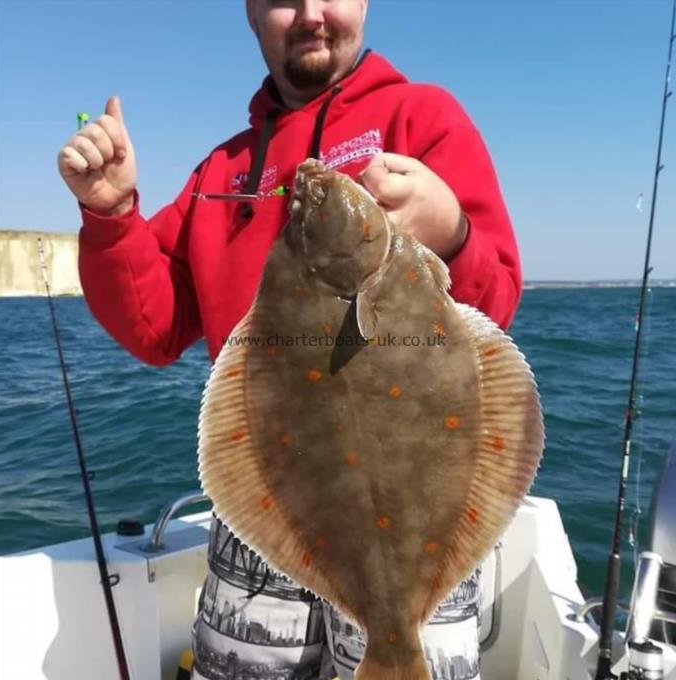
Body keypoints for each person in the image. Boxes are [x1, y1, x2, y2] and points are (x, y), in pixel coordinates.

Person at [57, 2, 521, 678]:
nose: (310, 13)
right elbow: (154, 328)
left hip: (421, 518)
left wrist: (453, 232)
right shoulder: (222, 172)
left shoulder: (424, 119)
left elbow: (496, 303)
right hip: (266, 518)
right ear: (250, 13)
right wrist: (111, 213)